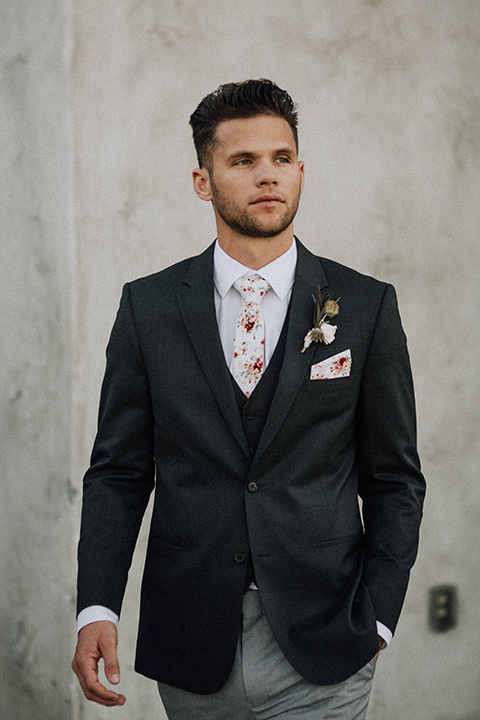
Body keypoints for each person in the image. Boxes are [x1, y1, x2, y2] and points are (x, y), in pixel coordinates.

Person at [72, 79, 425, 719]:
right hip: (191, 639)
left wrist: (379, 616)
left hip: (325, 640)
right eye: (243, 161)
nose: (268, 176)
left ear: (299, 169)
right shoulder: (148, 308)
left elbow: (394, 477)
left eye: (281, 159)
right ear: (203, 181)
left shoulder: (367, 307)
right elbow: (119, 472)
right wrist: (96, 606)